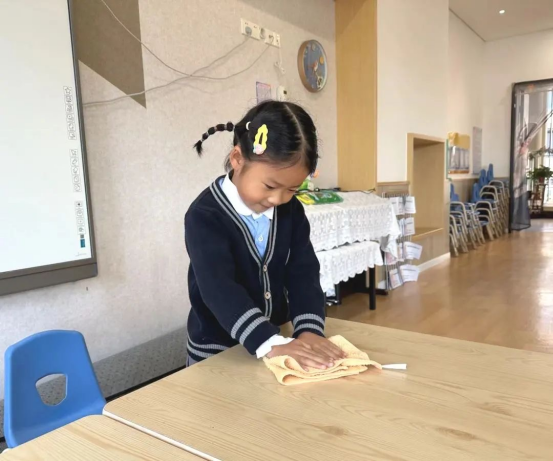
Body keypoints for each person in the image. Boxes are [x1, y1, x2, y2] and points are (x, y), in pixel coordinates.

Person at [184, 100, 344, 370]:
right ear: (237, 159)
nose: (279, 199)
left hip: (277, 340)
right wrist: (268, 343)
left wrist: (309, 330)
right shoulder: (205, 216)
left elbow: (303, 272)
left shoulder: (290, 211)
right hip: (218, 351)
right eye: (270, 186)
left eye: (292, 189)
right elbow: (219, 289)